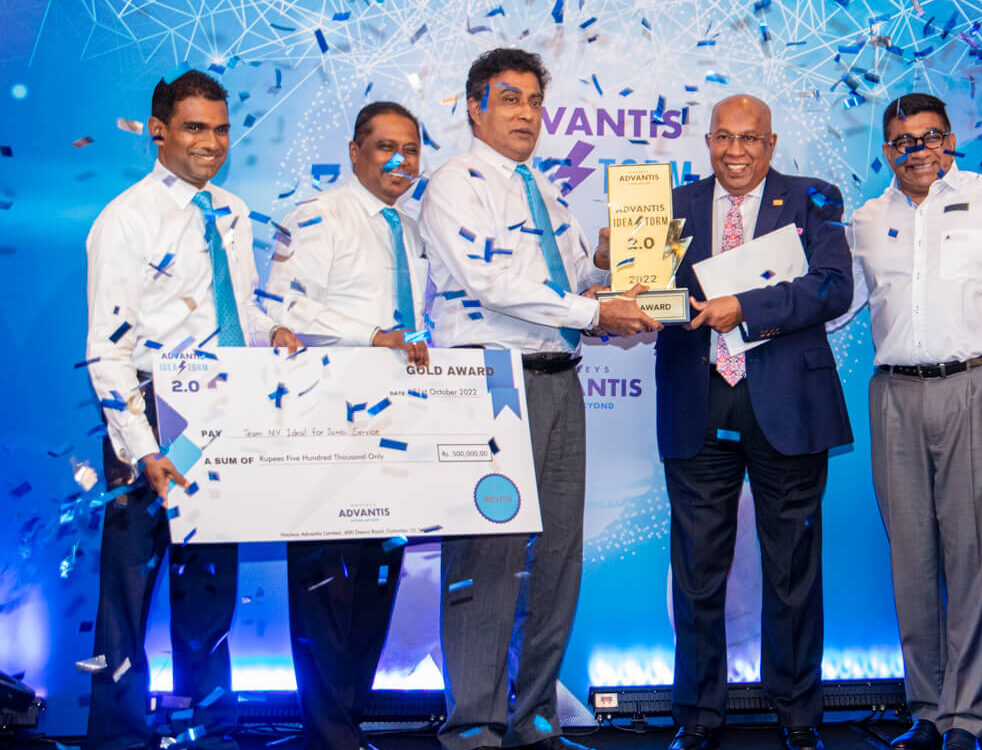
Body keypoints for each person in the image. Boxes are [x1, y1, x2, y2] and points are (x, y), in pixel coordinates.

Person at [418, 47, 660, 750]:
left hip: (558, 380)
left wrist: (612, 262)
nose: (525, 113)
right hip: (488, 382)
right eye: (510, 99)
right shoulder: (455, 186)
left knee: (556, 557)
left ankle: (534, 720)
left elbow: (572, 276)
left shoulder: (544, 188)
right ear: (475, 106)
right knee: (486, 559)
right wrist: (594, 313)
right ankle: (474, 725)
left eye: (534, 101)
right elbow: (493, 285)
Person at [83, 69, 301, 750]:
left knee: (210, 586)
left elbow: (232, 307)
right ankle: (117, 735)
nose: (211, 143)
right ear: (158, 131)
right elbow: (105, 349)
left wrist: (274, 333)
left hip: (216, 406)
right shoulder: (125, 219)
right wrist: (140, 446)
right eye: (194, 128)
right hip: (146, 412)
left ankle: (212, 726)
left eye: (221, 129)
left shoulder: (231, 212)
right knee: (128, 591)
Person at [845, 93, 982, 750]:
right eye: (903, 140)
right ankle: (927, 711)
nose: (918, 150)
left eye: (930, 136)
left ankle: (966, 717)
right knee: (911, 559)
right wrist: (747, 303)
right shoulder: (865, 219)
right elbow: (829, 307)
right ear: (887, 151)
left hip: (975, 387)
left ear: (951, 140)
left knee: (973, 556)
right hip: (895, 396)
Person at [656, 94, 853, 750]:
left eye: (749, 139)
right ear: (707, 141)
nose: (735, 152)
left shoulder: (813, 197)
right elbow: (649, 297)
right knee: (697, 571)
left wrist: (745, 305)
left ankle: (798, 714)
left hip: (787, 406)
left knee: (793, 569)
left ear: (770, 144)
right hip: (699, 401)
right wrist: (616, 267)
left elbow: (833, 287)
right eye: (723, 138)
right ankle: (697, 716)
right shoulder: (670, 204)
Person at [262, 100, 430, 750]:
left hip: (397, 430)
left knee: (378, 579)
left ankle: (347, 724)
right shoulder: (315, 217)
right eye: (385, 146)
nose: (400, 161)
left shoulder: (413, 231)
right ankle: (327, 733)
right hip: (325, 424)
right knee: (325, 583)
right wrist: (372, 337)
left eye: (411, 149)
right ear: (356, 150)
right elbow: (281, 306)